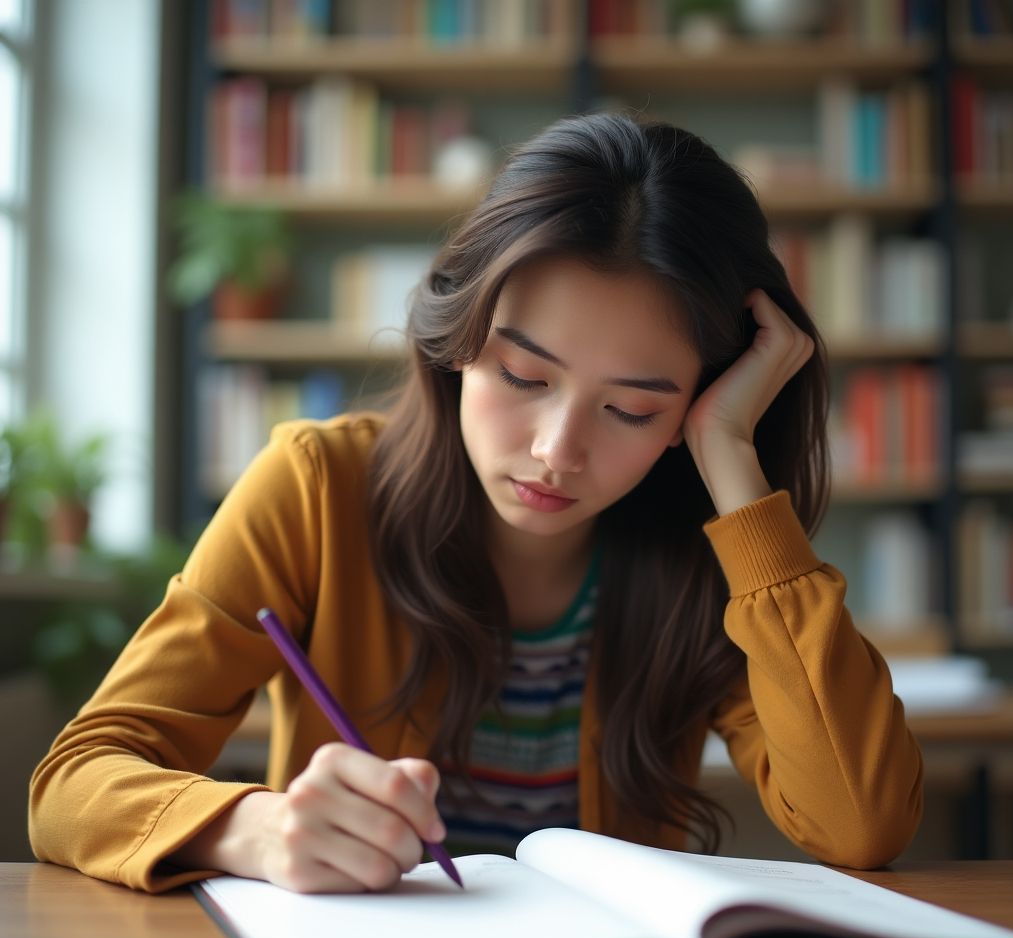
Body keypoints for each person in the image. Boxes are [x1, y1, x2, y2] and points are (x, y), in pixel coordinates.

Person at [29, 112, 923, 895]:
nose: (556, 451)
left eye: (632, 409)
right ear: (458, 339)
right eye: (522, 375)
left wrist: (731, 460)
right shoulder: (316, 490)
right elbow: (74, 783)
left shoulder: (708, 553)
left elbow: (859, 822)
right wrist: (253, 830)